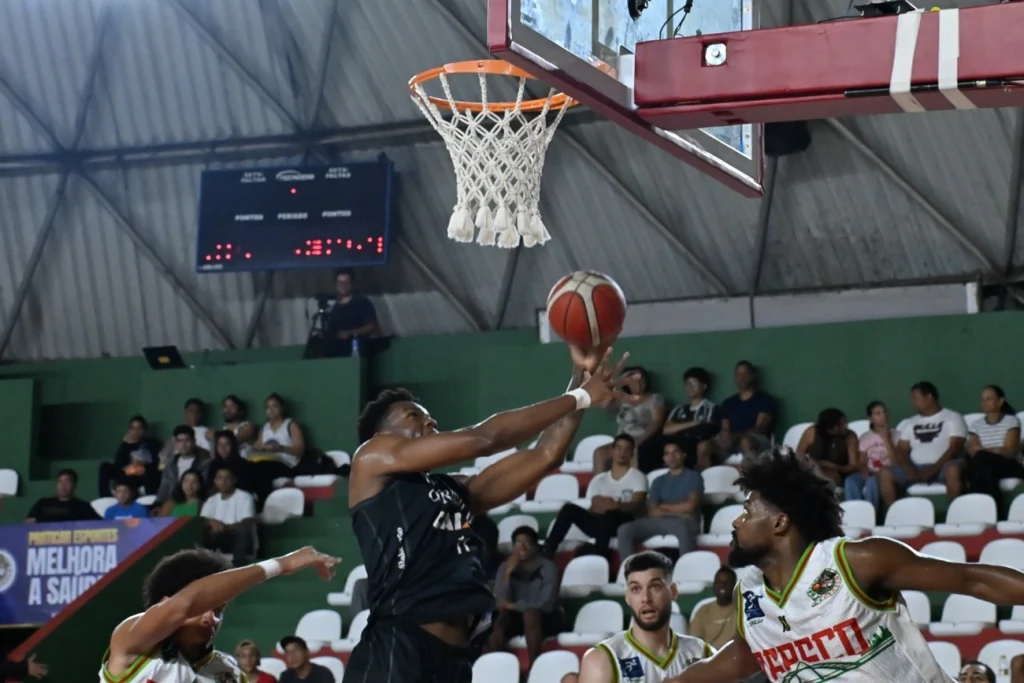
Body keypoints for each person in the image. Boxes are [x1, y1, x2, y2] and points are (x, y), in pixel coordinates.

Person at [344, 345, 634, 683]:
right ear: (382, 436)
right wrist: (581, 397)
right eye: (414, 416)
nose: (430, 421)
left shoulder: (454, 489)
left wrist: (579, 380)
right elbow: (485, 438)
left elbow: (546, 454)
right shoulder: (370, 461)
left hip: (455, 660)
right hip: (397, 648)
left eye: (428, 416)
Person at [661, 447, 1024, 683]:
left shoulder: (854, 561)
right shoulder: (751, 596)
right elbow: (732, 663)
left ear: (780, 522)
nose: (736, 521)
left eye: (748, 509)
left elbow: (971, 580)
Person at [99, 546, 338, 683]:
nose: (210, 619)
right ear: (164, 603)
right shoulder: (133, 644)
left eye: (218, 611)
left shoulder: (228, 671)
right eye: (202, 609)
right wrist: (280, 565)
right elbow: (185, 603)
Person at [578, 551, 713, 683]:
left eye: (655, 587)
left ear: (673, 591)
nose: (646, 598)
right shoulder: (603, 658)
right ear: (627, 597)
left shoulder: (702, 653)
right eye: (636, 589)